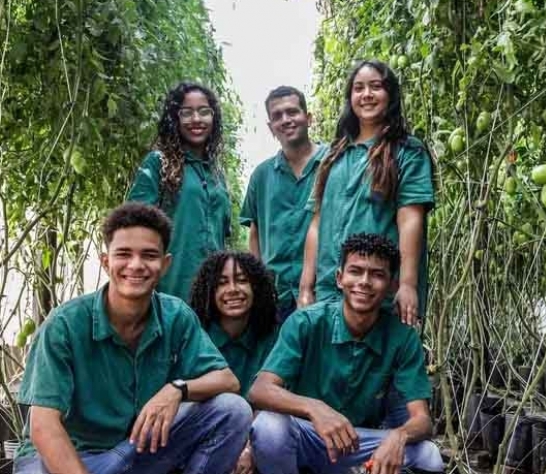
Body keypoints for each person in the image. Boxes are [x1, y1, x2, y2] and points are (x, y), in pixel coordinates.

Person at [14, 203, 251, 474]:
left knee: (232, 410)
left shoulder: (176, 316)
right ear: (106, 262)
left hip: (133, 451)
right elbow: (43, 426)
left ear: (165, 265)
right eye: (124, 254)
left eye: (149, 255)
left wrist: (176, 389)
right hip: (66, 458)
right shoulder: (64, 325)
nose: (136, 265)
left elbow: (227, 380)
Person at [248, 233, 444, 474]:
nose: (364, 281)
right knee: (269, 427)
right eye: (355, 271)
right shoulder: (306, 323)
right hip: (308, 436)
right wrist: (315, 408)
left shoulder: (402, 337)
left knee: (429, 456)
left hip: (357, 445)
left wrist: (399, 436)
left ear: (392, 285)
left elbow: (422, 419)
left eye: (377, 274)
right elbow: (260, 390)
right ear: (340, 278)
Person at [298, 60, 435, 326]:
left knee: (383, 363)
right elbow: (316, 224)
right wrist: (306, 286)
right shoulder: (332, 156)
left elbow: (410, 219)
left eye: (376, 87)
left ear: (391, 95)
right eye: (358, 88)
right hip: (330, 290)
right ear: (350, 98)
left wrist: (407, 284)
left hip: (382, 292)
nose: (367, 95)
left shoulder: (408, 151)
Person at [127, 82, 232, 302]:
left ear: (214, 118)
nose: (196, 119)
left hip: (214, 295)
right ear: (175, 118)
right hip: (171, 290)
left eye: (204, 112)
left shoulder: (217, 174)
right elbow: (133, 227)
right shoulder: (158, 163)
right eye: (187, 112)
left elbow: (222, 235)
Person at [241, 86, 328, 321]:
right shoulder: (261, 175)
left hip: (327, 292)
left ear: (308, 118)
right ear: (271, 128)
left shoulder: (334, 161)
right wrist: (259, 286)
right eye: (277, 116)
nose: (286, 120)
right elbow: (255, 233)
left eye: (292, 112)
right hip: (276, 296)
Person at [189, 251, 279, 474]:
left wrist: (249, 449)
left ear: (256, 287)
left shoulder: (273, 336)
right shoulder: (194, 335)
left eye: (242, 280)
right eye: (222, 283)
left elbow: (271, 404)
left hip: (258, 439)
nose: (233, 289)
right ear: (210, 291)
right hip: (206, 439)